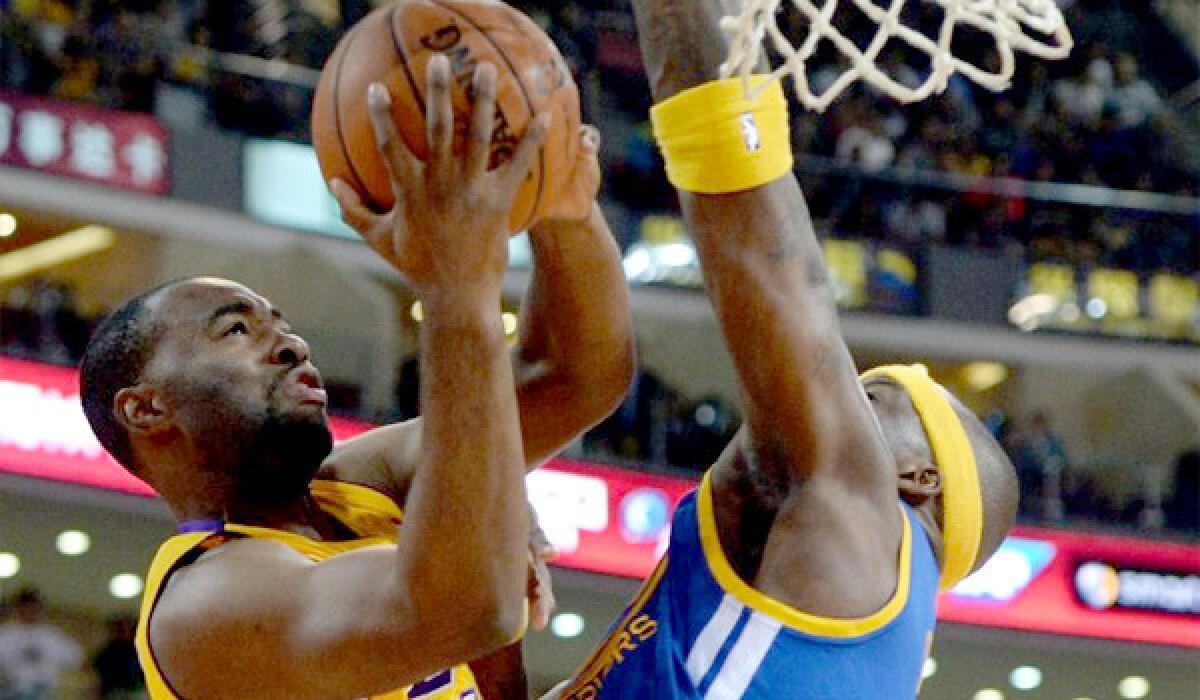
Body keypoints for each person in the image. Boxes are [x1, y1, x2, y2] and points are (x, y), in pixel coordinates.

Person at [79, 55, 633, 700]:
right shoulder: (202, 606)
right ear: (146, 408)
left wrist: (559, 195)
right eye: (236, 330)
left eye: (280, 324)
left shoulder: (362, 483)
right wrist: (457, 286)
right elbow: (467, 605)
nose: (288, 344)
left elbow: (574, 373)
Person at [549, 1, 1019, 697]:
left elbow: (766, 250)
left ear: (917, 477)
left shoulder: (861, 515)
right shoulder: (856, 625)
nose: (821, 390)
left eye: (866, 399)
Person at [0, 588, 83, 700]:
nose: (30, 612)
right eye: (26, 608)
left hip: (44, 691)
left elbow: (76, 657)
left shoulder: (52, 635)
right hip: (11, 689)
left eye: (34, 608)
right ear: (18, 609)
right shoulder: (6, 633)